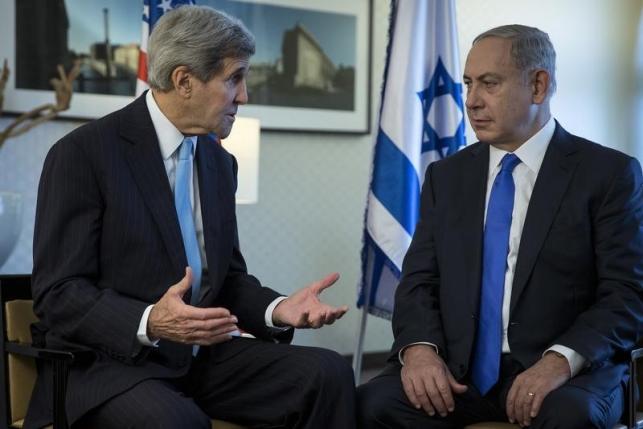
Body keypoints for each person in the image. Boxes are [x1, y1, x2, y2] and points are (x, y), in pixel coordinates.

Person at [25, 6, 356, 429]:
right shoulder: (83, 154)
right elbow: (59, 294)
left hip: (202, 359)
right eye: (234, 78)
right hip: (112, 367)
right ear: (184, 81)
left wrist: (277, 309)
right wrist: (152, 321)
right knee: (178, 422)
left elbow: (228, 280)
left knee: (328, 374)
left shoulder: (220, 164)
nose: (244, 96)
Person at [357, 24, 642, 429]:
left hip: (567, 374)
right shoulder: (446, 176)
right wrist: (420, 350)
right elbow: (419, 281)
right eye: (468, 84)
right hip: (461, 373)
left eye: (489, 84)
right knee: (372, 402)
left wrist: (560, 361)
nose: (471, 101)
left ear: (538, 86)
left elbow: (627, 294)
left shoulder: (609, 174)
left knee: (570, 417)